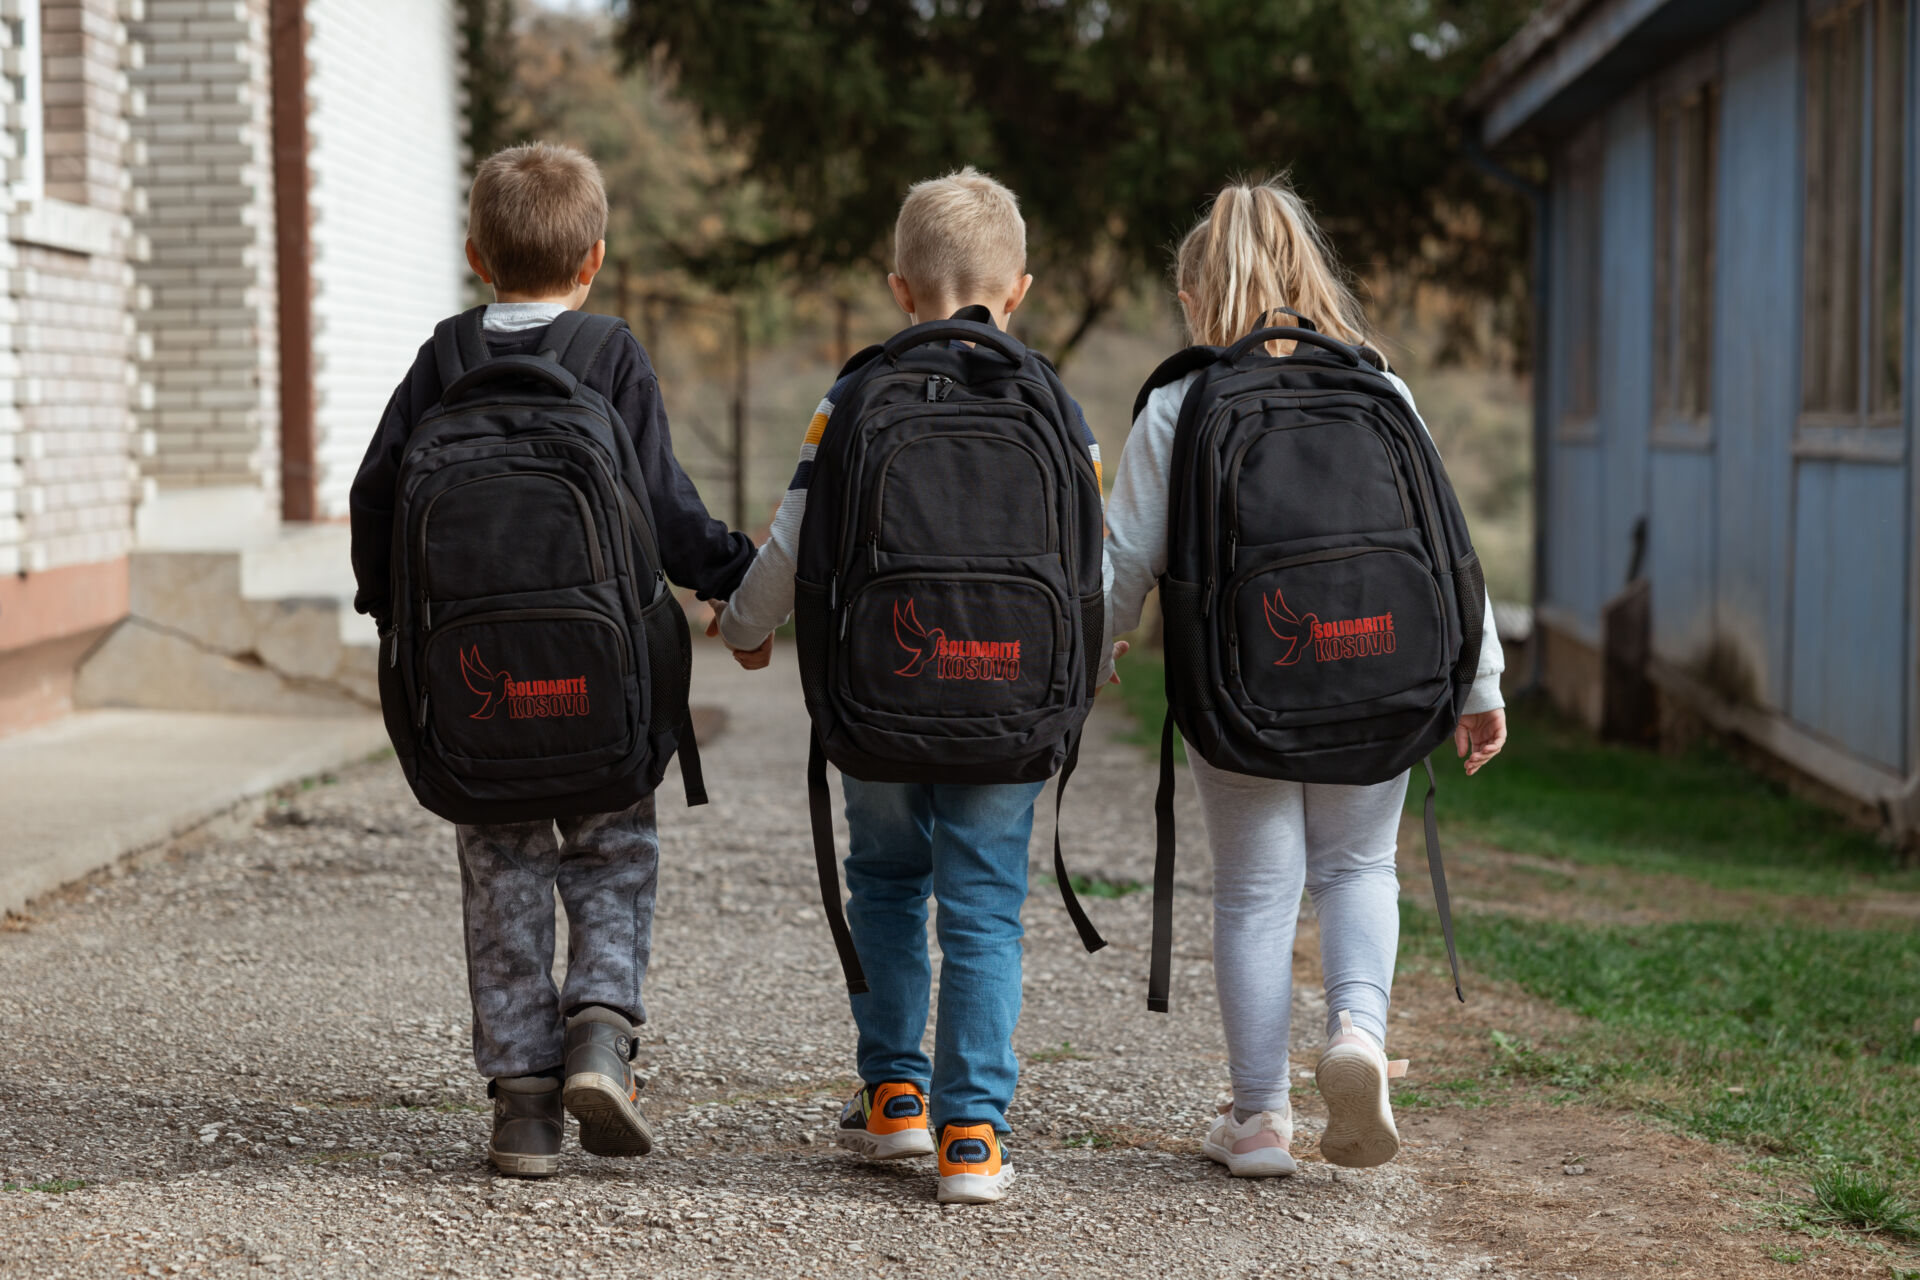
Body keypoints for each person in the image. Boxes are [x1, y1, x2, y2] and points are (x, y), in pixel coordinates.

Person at [347, 142, 754, 1177]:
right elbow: (664, 509)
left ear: (477, 254)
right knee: (615, 847)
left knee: (502, 868)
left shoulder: (443, 357)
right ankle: (603, 1032)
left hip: (477, 692)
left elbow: (375, 497)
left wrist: (394, 616)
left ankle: (522, 1107)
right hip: (600, 688)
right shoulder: (610, 353)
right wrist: (733, 579)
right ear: (594, 259)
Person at [710, 168, 1105, 1205]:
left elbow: (794, 541)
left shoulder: (850, 397)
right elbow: (1093, 567)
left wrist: (744, 627)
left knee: (887, 880)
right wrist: (1085, 669)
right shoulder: (1056, 404)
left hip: (877, 700)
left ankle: (894, 1096)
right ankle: (972, 1132)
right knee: (983, 906)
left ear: (899, 287)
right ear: (1016, 288)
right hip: (1009, 702)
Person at [1101, 177, 1507, 1178]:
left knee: (1254, 888)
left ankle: (1260, 1121)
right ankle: (1359, 1033)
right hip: (1378, 675)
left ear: (1197, 296)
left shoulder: (1179, 399)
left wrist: (1092, 651)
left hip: (1241, 690)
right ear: (1312, 277)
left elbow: (1121, 560)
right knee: (1360, 867)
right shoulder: (1382, 388)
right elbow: (1450, 552)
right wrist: (1480, 680)